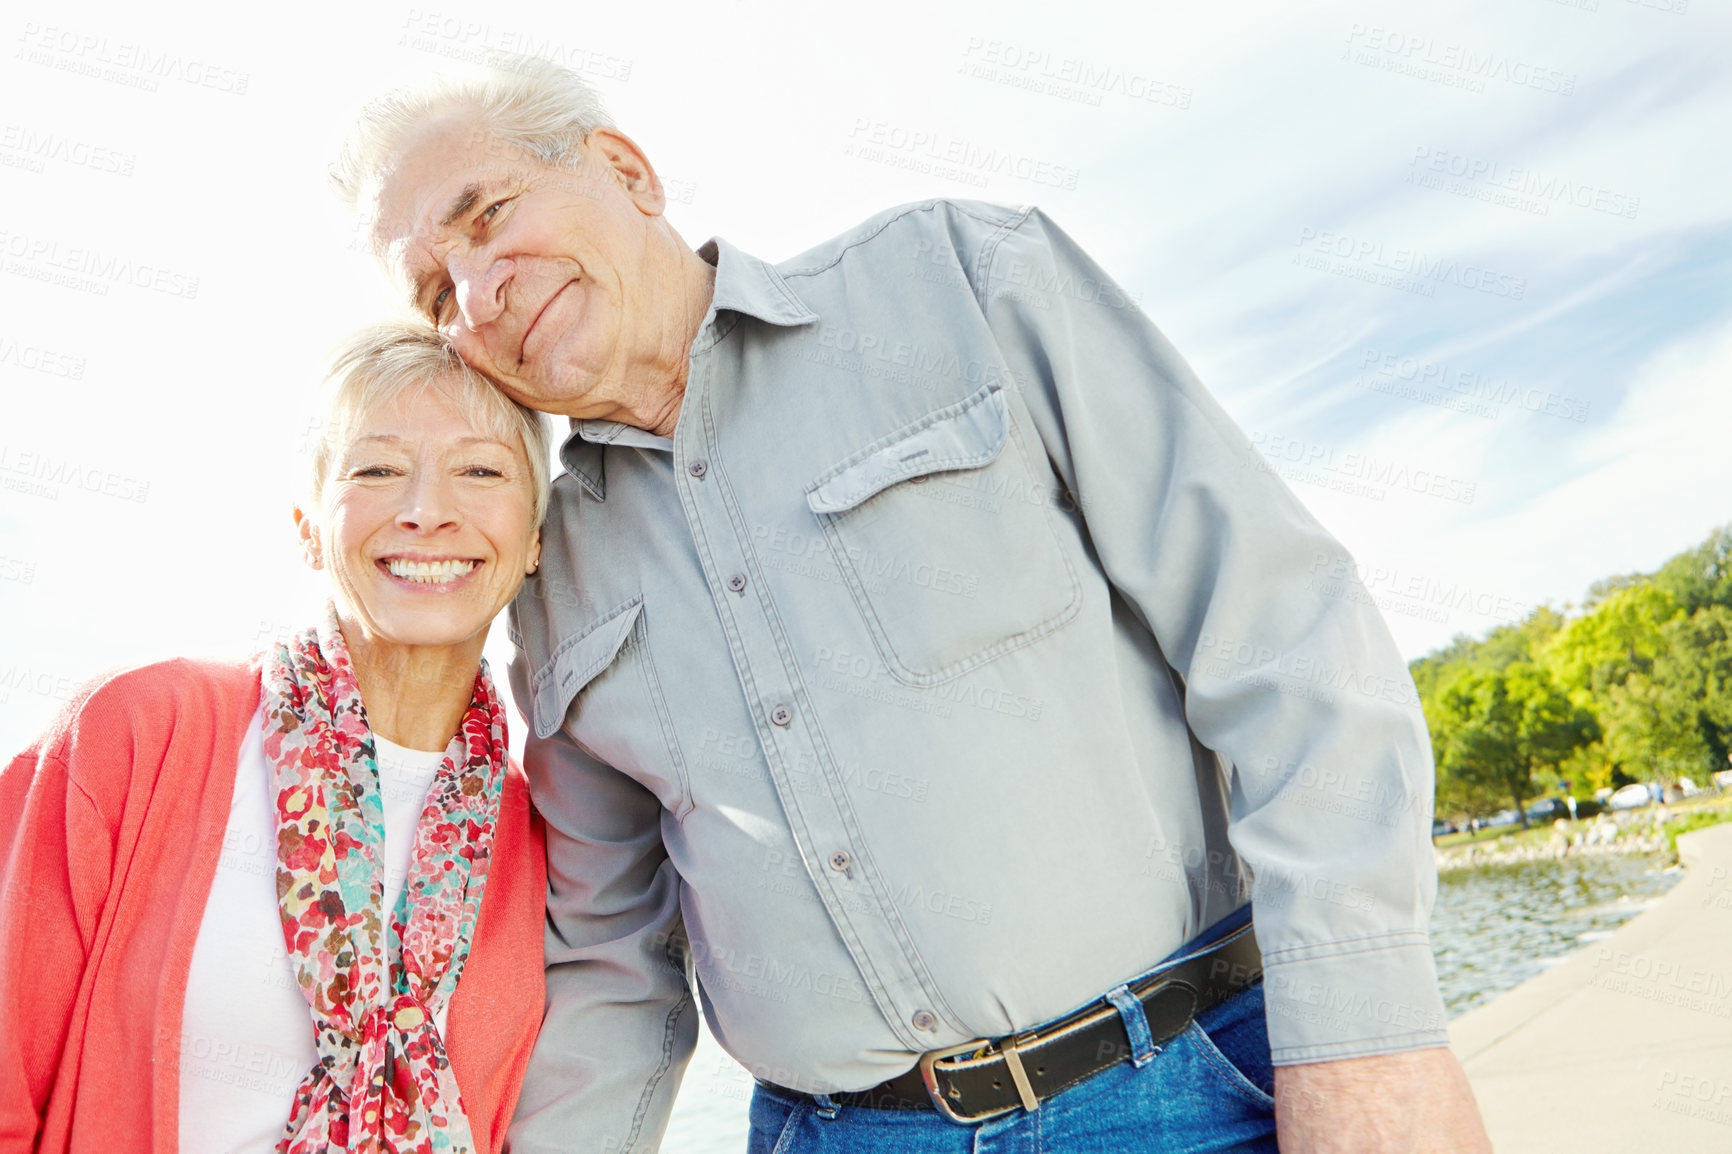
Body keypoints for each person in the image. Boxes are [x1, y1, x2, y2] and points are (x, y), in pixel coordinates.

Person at [338, 55, 1492, 1153]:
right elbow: (613, 963)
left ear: (626, 170)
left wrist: (1368, 1035)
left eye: (488, 214)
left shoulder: (959, 281)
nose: (481, 290)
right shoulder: (545, 572)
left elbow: (1281, 632)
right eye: (437, 290)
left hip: (1196, 1085)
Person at [0, 324, 551, 1152]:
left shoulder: (538, 833)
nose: (427, 512)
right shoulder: (137, 733)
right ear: (306, 525)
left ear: (537, 536)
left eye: (480, 470)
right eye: (377, 469)